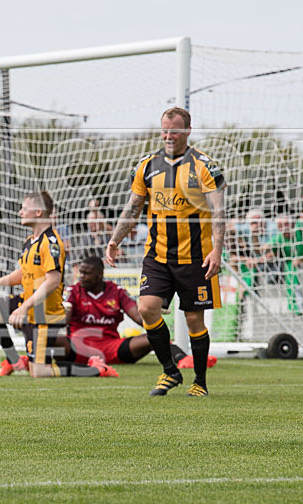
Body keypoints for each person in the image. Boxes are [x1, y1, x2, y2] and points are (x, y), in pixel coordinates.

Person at [105, 107, 226, 397]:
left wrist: (217, 250)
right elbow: (133, 207)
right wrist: (115, 239)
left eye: (175, 130)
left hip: (196, 258)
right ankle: (170, 371)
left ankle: (199, 382)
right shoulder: (147, 165)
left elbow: (219, 212)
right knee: (147, 308)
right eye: (165, 130)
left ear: (188, 131)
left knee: (194, 320)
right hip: (157, 256)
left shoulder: (204, 166)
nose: (169, 136)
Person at [0, 191, 96, 378]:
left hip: (44, 314)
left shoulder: (51, 243)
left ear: (39, 212)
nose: (20, 212)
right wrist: (2, 281)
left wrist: (23, 308)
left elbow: (53, 281)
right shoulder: (30, 242)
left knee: (39, 373)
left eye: (24, 208)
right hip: (28, 304)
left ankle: (95, 369)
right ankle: (14, 361)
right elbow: (24, 272)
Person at [64, 256, 200, 372]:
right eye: (81, 273)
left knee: (153, 337)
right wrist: (64, 311)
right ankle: (52, 366)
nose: (81, 277)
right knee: (56, 340)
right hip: (80, 346)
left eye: (86, 273)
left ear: (99, 275)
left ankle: (184, 360)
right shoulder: (73, 291)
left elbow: (139, 317)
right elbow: (64, 321)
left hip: (112, 347)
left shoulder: (116, 291)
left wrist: (153, 317)